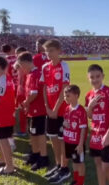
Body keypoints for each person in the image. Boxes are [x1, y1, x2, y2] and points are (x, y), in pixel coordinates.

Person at [40, 39, 71, 183]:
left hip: (62, 111)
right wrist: (47, 107)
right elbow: (45, 88)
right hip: (50, 111)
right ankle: (58, 165)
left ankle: (65, 169)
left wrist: (55, 109)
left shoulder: (64, 66)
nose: (48, 53)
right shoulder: (45, 67)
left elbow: (65, 88)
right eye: (46, 51)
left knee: (62, 141)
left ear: (59, 51)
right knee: (53, 139)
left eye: (51, 50)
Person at [85, 64, 109, 185]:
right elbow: (89, 116)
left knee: (107, 166)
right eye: (92, 77)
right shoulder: (89, 95)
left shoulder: (108, 92)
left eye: (97, 76)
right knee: (98, 164)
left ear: (103, 76)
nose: (95, 80)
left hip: (107, 135)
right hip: (95, 135)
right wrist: (90, 106)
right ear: (88, 78)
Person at [16, 52, 49, 171]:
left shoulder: (36, 74)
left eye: (20, 64)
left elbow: (34, 94)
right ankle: (35, 154)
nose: (21, 67)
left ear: (25, 62)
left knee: (40, 134)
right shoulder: (30, 74)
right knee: (33, 133)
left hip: (38, 110)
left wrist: (25, 103)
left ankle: (43, 158)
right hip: (32, 110)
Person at [63, 85, 87, 185]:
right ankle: (76, 179)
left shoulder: (81, 111)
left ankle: (80, 182)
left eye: (68, 96)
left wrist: (80, 144)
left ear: (76, 96)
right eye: (65, 96)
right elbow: (65, 121)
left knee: (80, 163)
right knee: (74, 161)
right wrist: (64, 123)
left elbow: (83, 129)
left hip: (77, 143)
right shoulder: (67, 109)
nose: (65, 98)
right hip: (68, 141)